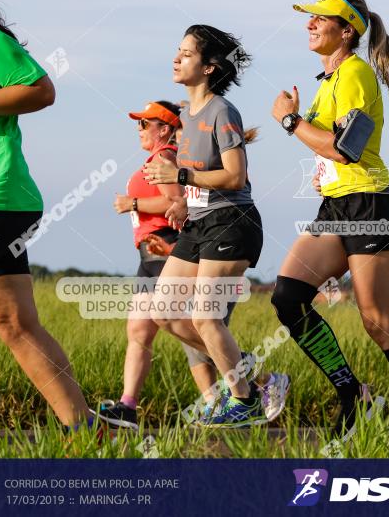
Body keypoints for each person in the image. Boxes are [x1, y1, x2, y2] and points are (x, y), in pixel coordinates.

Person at [269, 0, 389, 436]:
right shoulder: (330, 81)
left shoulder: (355, 75)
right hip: (338, 204)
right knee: (288, 297)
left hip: (373, 204)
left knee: (378, 322)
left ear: (346, 31)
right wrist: (321, 167)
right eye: (308, 17)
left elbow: (347, 149)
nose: (309, 23)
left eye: (319, 18)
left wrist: (291, 121)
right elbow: (333, 153)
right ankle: (354, 395)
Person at [97, 101, 288, 428]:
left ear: (166, 128)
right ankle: (132, 405)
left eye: (145, 123)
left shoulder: (170, 156)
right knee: (151, 326)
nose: (139, 128)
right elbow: (187, 199)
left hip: (178, 244)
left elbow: (181, 196)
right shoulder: (166, 156)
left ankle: (242, 390)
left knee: (200, 324)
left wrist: (135, 203)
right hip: (157, 250)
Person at [142, 24, 287, 428]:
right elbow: (197, 177)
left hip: (232, 223)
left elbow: (234, 177)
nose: (176, 58)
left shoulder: (222, 111)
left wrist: (182, 178)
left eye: (186, 54)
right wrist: (182, 204)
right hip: (200, 223)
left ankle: (244, 403)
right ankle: (260, 380)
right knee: (166, 314)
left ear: (208, 68)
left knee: (206, 318)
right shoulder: (187, 117)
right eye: (179, 51)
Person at [0, 2, 92, 430]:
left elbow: (39, 90)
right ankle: (86, 428)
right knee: (14, 322)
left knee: (12, 321)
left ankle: (84, 428)